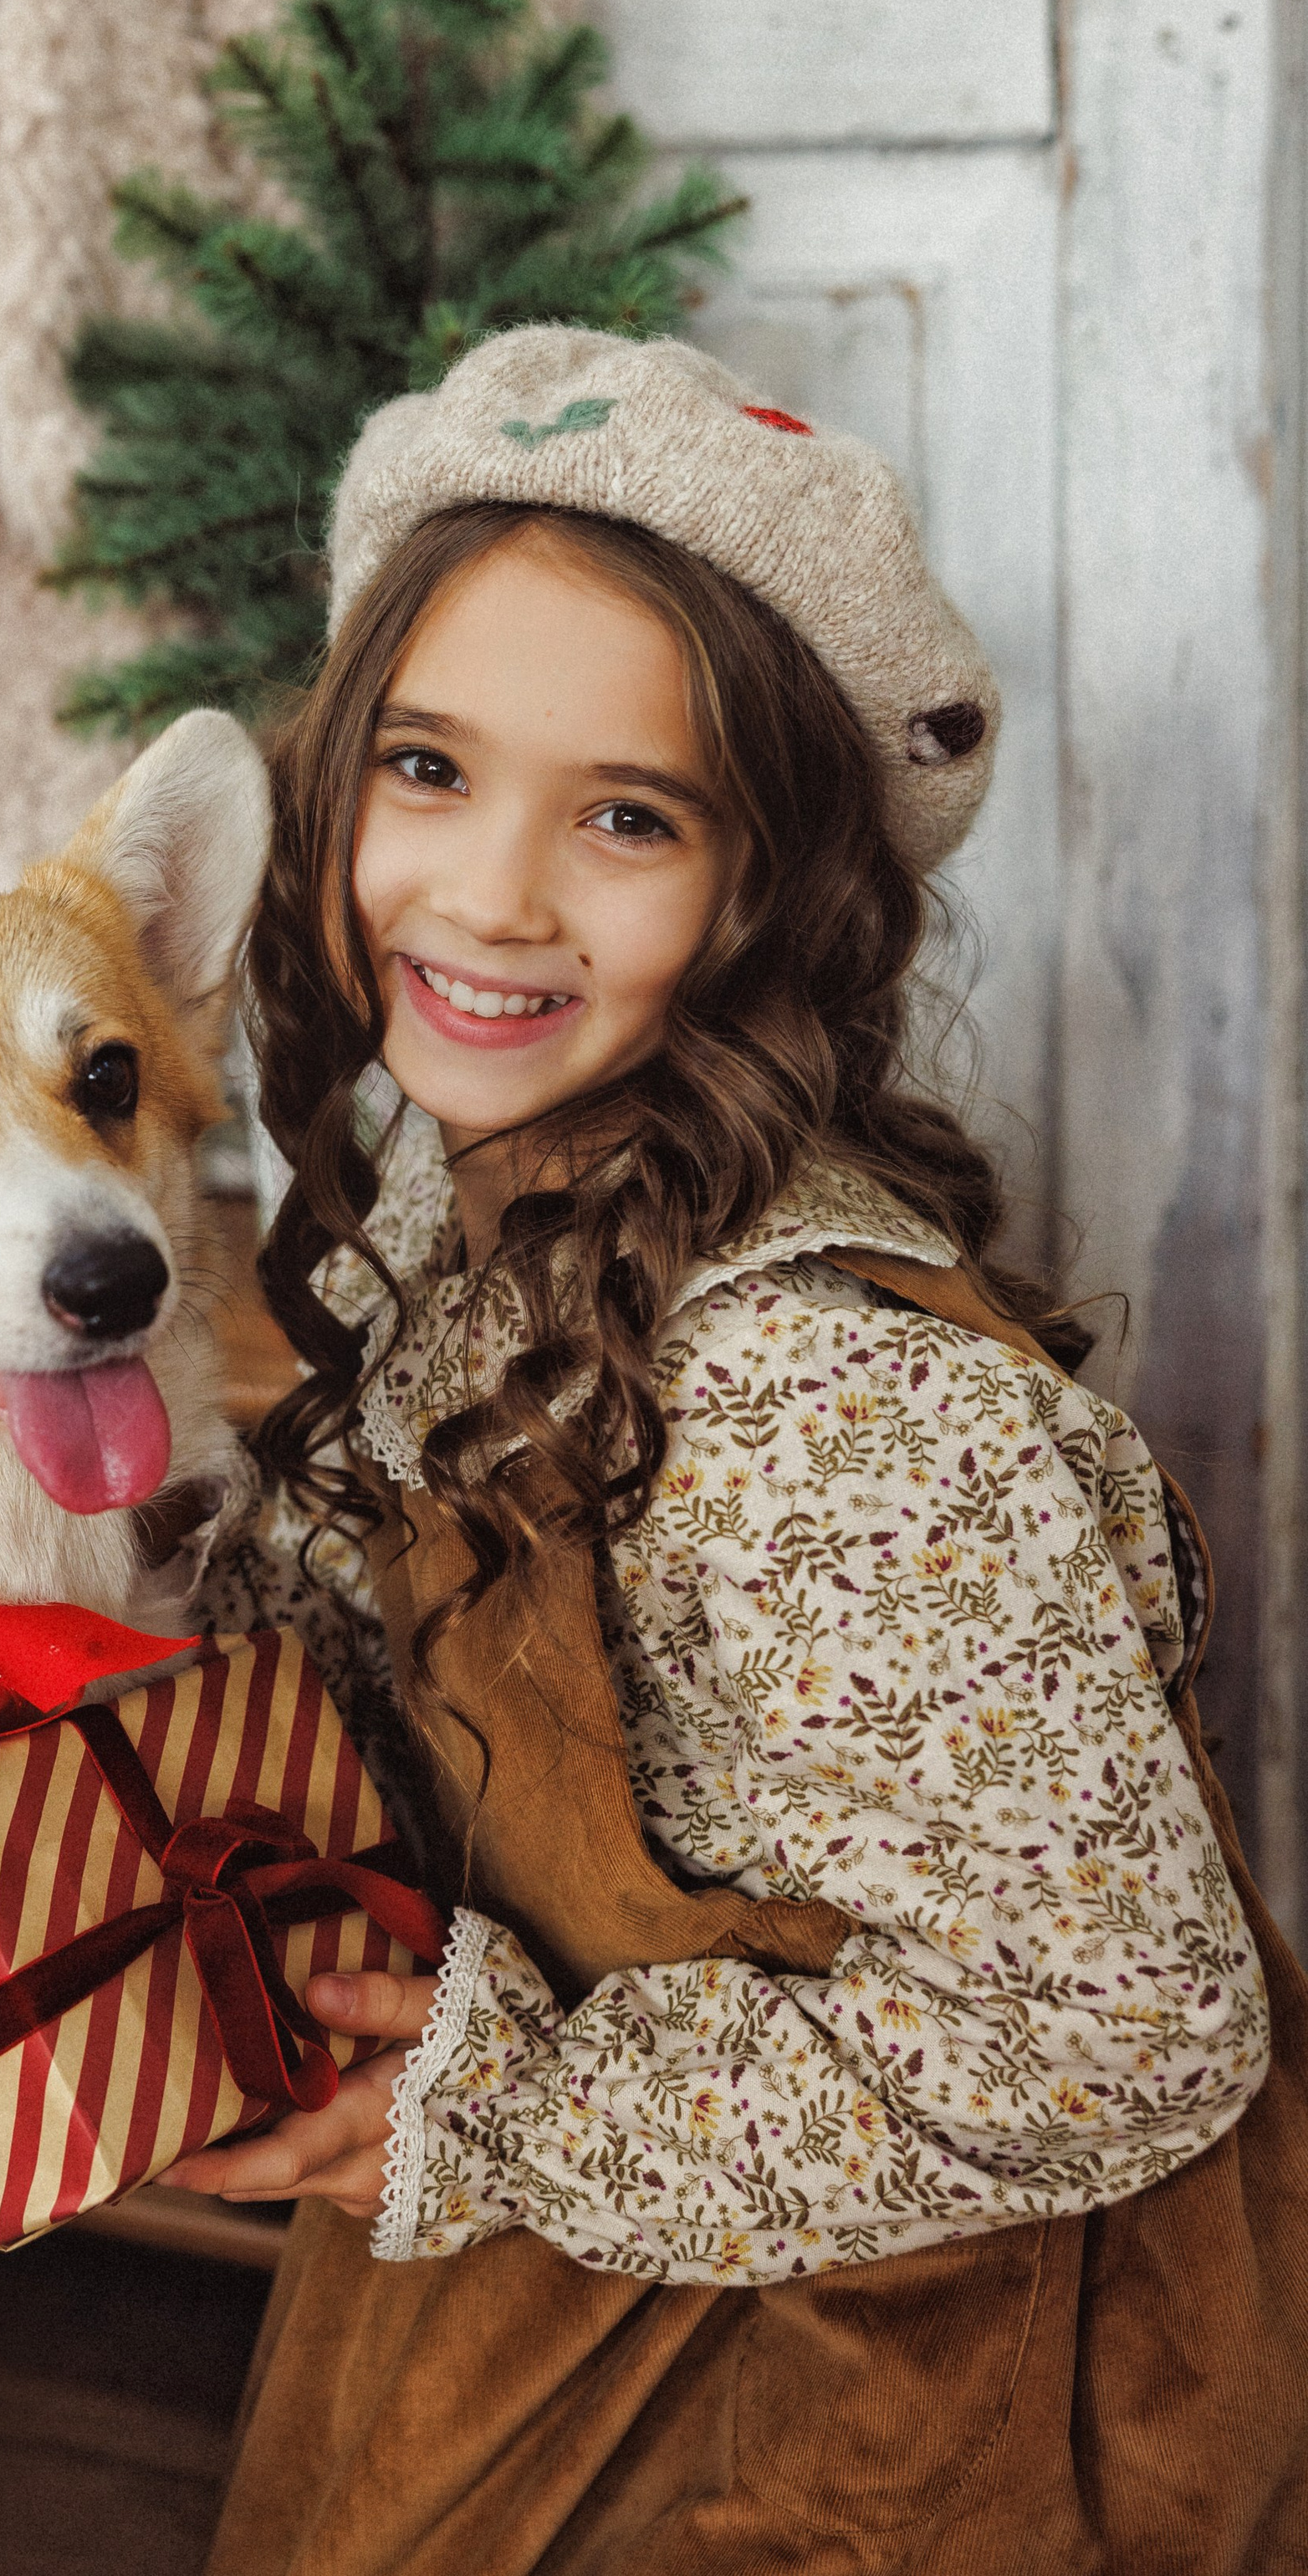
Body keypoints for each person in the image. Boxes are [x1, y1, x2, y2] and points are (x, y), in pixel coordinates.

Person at [161, 330, 1308, 2574]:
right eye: (426, 767)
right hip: (545, 2297)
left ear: (764, 889)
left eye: (626, 816)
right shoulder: (476, 1222)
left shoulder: (850, 1417)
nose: (491, 895)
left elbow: (1131, 2033)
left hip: (844, 2419)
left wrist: (506, 2106)